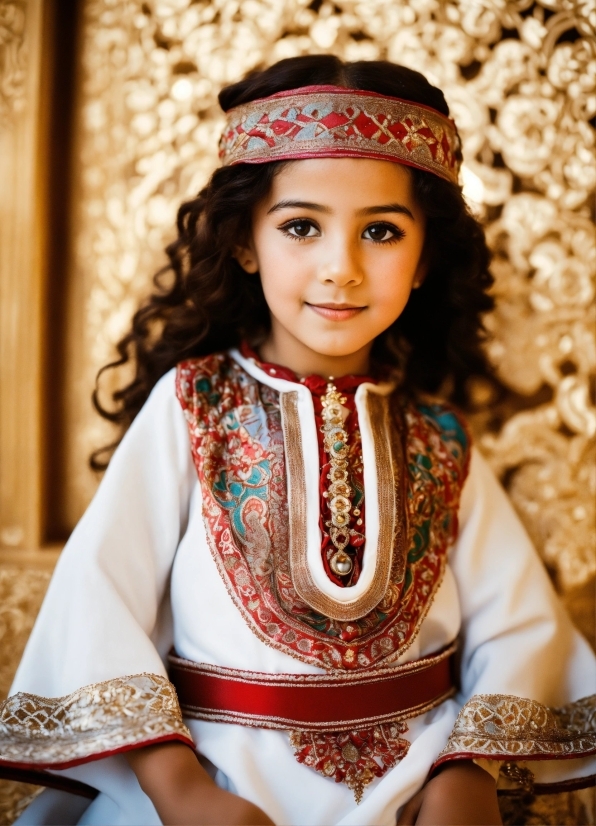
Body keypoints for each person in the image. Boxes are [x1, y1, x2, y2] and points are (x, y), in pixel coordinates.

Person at [1, 55, 594, 826]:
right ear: (246, 244)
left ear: (424, 262)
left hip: (415, 791)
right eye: (301, 226)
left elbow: (519, 626)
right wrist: (182, 793)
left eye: (381, 231)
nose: (340, 268)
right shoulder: (193, 405)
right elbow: (99, 605)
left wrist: (469, 771)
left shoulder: (440, 438)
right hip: (213, 788)